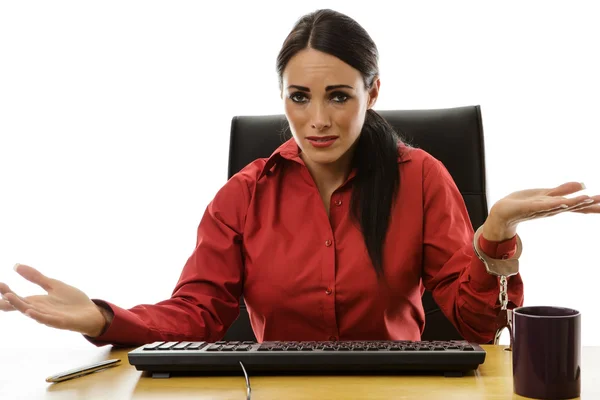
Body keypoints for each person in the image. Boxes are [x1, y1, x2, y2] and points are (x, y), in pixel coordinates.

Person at [1, 9, 598, 347]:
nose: (318, 119)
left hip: (403, 392)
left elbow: (478, 327)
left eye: (339, 96)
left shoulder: (421, 178)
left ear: (373, 92)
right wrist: (106, 319)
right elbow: (197, 313)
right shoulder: (244, 195)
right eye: (299, 96)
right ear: (282, 96)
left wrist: (494, 233)